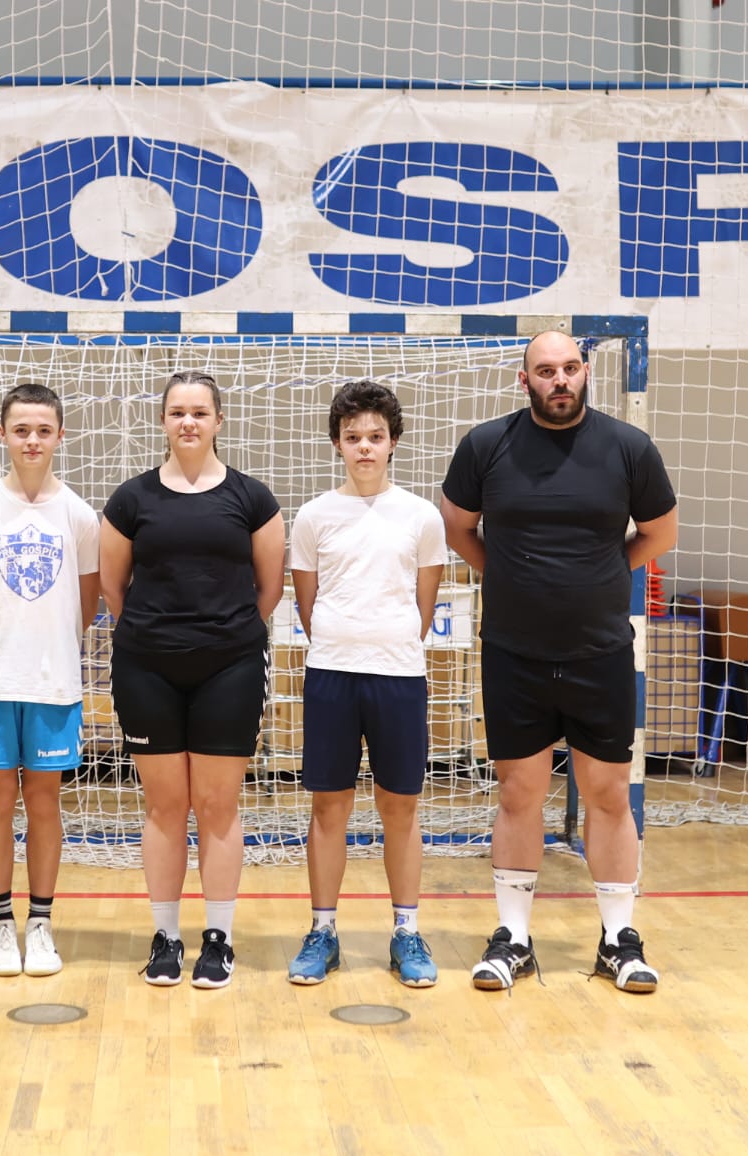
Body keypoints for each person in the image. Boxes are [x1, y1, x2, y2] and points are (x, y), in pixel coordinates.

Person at [439, 330, 679, 994]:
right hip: (513, 652)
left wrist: (602, 572)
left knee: (609, 795)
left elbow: (659, 532)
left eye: (570, 367)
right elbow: (458, 526)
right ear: (526, 381)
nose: (560, 380)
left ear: (586, 371)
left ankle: (618, 938)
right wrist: (507, 574)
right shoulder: (487, 445)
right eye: (546, 371)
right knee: (519, 793)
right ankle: (513, 937)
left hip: (599, 652)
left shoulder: (629, 448)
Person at [99, 370, 284, 989]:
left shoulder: (253, 498)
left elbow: (269, 588)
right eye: (177, 412)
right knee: (164, 805)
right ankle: (166, 936)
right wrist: (157, 635)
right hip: (146, 666)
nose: (188, 422)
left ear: (218, 421)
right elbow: (113, 587)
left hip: (229, 667)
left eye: (200, 413)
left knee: (217, 805)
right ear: (163, 421)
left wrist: (224, 636)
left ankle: (219, 939)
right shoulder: (131, 499)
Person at [285, 381, 446, 988]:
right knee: (329, 806)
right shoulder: (313, 516)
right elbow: (307, 604)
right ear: (337, 443)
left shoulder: (422, 517)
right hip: (331, 674)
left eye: (375, 437)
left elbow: (424, 606)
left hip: (398, 676)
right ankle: (322, 931)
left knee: (399, 806)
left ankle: (406, 931)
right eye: (353, 437)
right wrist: (343, 640)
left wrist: (388, 641)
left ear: (393, 442)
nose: (364, 448)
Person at [0, 383, 100, 978]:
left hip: (53, 684)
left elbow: (85, 606)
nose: (32, 440)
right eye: (21, 430)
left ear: (61, 435)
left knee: (44, 802)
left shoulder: (80, 516)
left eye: (43, 430)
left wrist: (46, 647)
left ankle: (39, 923)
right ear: (2, 434)